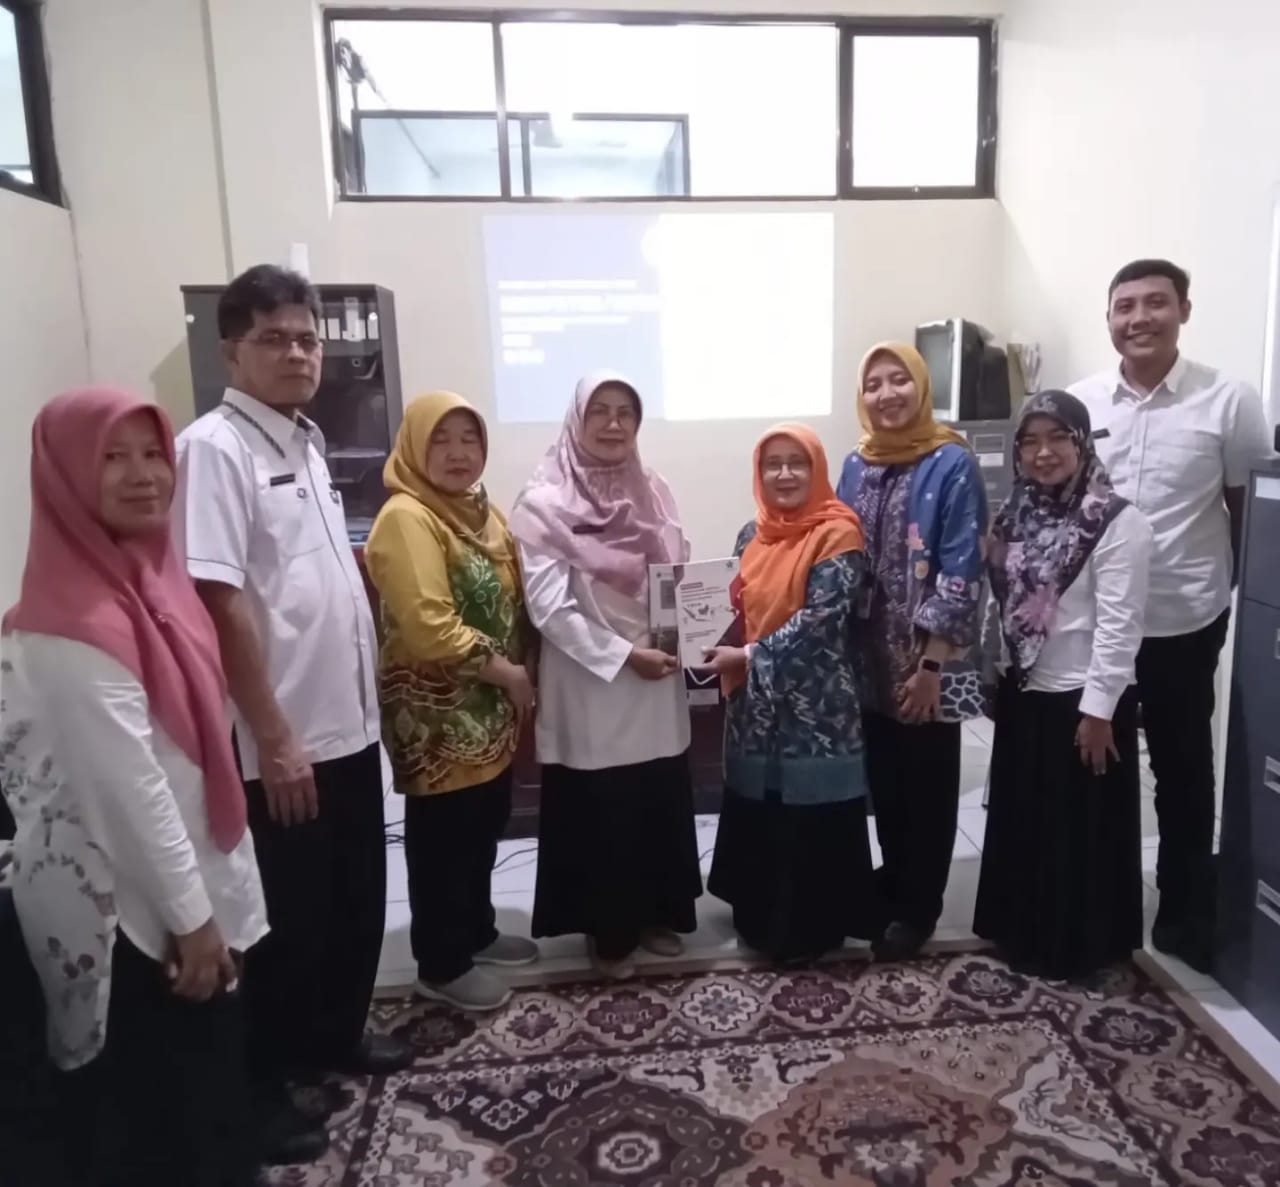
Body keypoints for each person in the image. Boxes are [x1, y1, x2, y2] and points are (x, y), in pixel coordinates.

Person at [174, 265, 410, 1164]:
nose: (298, 353)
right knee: (284, 920)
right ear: (230, 349)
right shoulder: (214, 449)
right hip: (283, 739)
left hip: (346, 726)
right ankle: (264, 1086)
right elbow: (220, 597)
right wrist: (272, 736)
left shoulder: (306, 442)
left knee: (352, 898)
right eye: (274, 338)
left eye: (308, 338)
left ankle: (334, 1034)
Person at [1, 388, 267, 1185]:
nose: (143, 474)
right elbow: (129, 793)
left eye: (153, 453)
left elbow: (193, 755)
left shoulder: (157, 585)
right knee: (162, 1118)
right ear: (64, 476)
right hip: (126, 910)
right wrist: (194, 921)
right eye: (111, 457)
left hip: (185, 877)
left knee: (209, 1093)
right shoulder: (69, 624)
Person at [1070, 259, 1272, 971]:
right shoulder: (1083, 402)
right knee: (1096, 762)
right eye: (1124, 306)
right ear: (1109, 319)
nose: (1139, 318)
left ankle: (1185, 912)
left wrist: (1239, 601)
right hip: (1096, 624)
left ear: (1184, 309)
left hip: (1183, 618)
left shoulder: (1229, 400)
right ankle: (1098, 905)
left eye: (1155, 303)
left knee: (1183, 769)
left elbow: (1248, 511)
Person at [510, 372, 702, 979]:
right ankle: (608, 926)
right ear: (577, 419)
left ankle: (658, 912)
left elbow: (676, 573)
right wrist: (624, 655)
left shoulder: (656, 490)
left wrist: (680, 634)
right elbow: (548, 608)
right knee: (604, 806)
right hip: (592, 680)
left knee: (654, 793)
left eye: (626, 412)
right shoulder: (543, 503)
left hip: (656, 672)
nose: (614, 424)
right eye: (600, 411)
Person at [364, 392, 539, 1012]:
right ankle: (441, 962)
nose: (458, 453)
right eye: (441, 440)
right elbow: (427, 627)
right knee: (445, 838)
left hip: (490, 709)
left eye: (469, 439)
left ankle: (476, 930)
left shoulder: (481, 512)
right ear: (415, 446)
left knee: (483, 826)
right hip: (436, 718)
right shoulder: (407, 518)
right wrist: (508, 673)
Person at [974, 391, 1153, 979]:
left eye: (1058, 438)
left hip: (1083, 700)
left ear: (1082, 442)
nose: (1043, 453)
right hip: (1026, 693)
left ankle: (1083, 950)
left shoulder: (1116, 520)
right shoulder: (1015, 515)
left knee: (1079, 831)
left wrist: (1099, 711)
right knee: (1029, 823)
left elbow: (1120, 626)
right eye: (1030, 441)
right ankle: (1025, 935)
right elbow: (1000, 605)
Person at [837, 342, 988, 962]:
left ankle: (920, 907)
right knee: (887, 783)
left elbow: (961, 567)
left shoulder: (952, 462)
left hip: (927, 661)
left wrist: (931, 665)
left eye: (899, 379)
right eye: (873, 384)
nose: (887, 394)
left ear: (921, 386)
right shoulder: (857, 463)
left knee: (926, 788)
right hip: (867, 661)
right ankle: (894, 883)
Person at [706, 425, 879, 962]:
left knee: (810, 811)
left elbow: (821, 623)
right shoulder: (750, 534)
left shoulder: (838, 534)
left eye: (796, 462)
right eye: (772, 464)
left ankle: (810, 928)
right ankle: (759, 917)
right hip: (756, 706)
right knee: (763, 806)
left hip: (816, 706)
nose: (784, 474)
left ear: (817, 469)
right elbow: (733, 607)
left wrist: (747, 657)